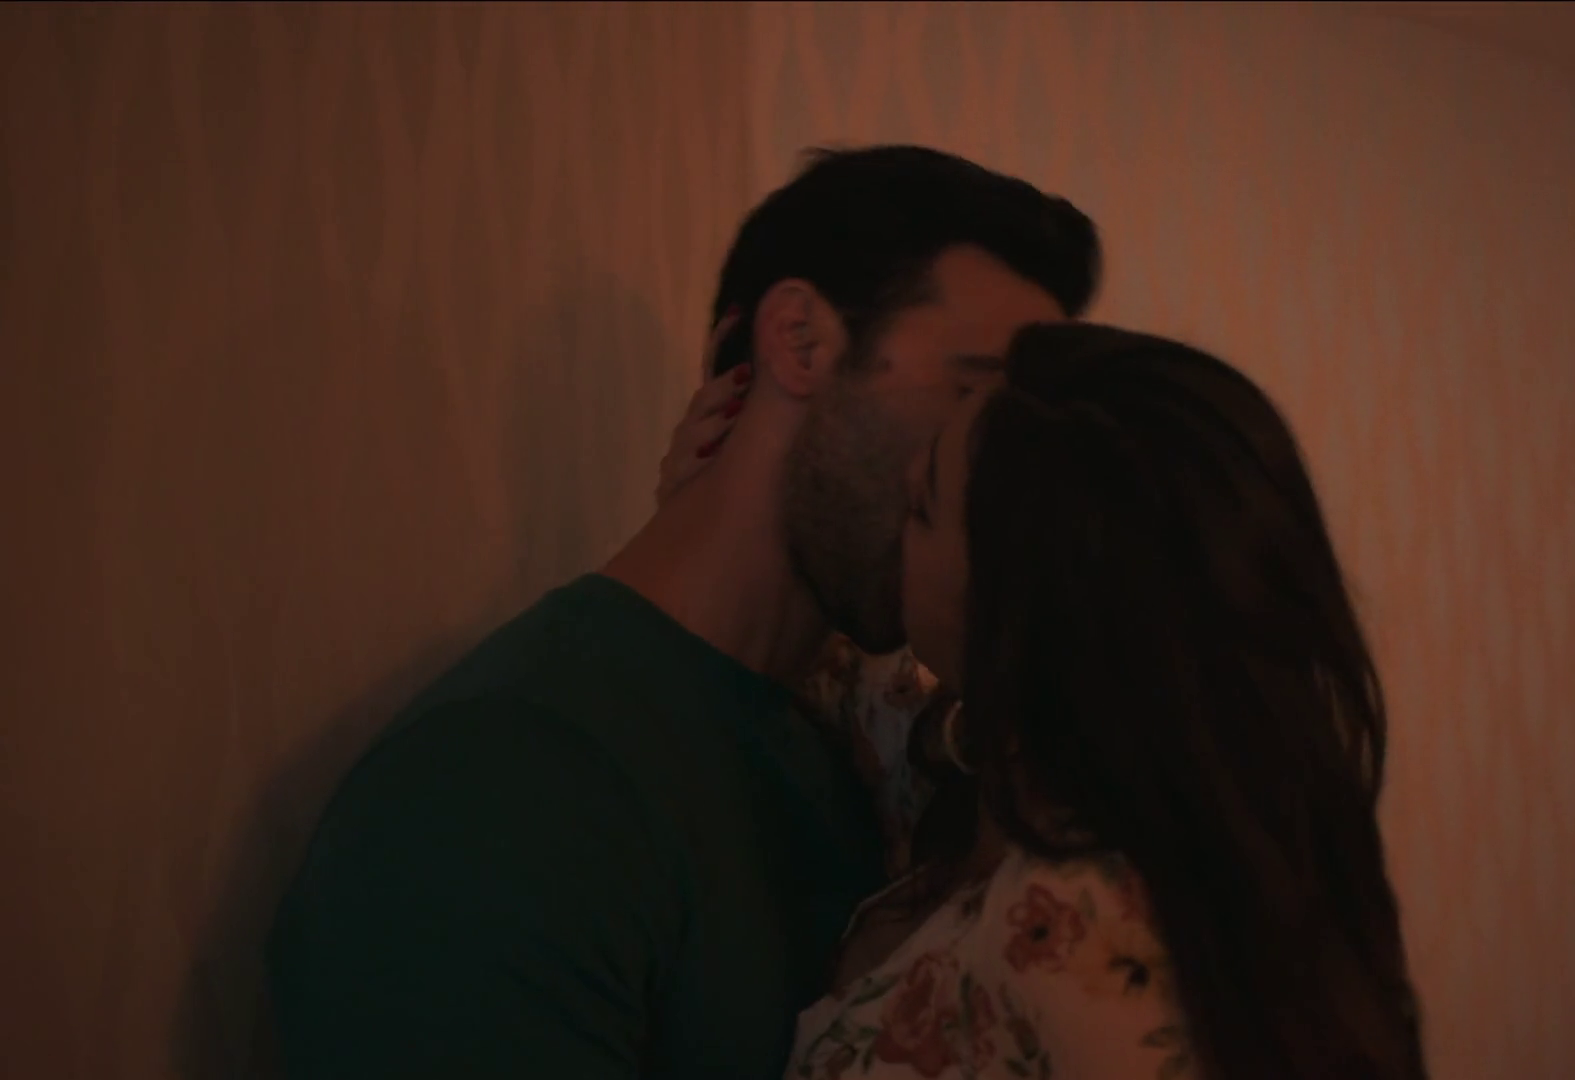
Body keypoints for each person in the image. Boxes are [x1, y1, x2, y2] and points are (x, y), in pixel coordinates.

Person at [265, 145, 1102, 1080]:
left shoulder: (845, 744)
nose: (1003, 483)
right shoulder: (496, 790)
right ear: (799, 341)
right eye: (972, 397)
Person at [669, 323, 1431, 1079]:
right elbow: (826, 663)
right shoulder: (982, 758)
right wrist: (708, 517)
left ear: (1020, 615)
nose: (898, 509)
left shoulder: (1093, 939)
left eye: (925, 507)